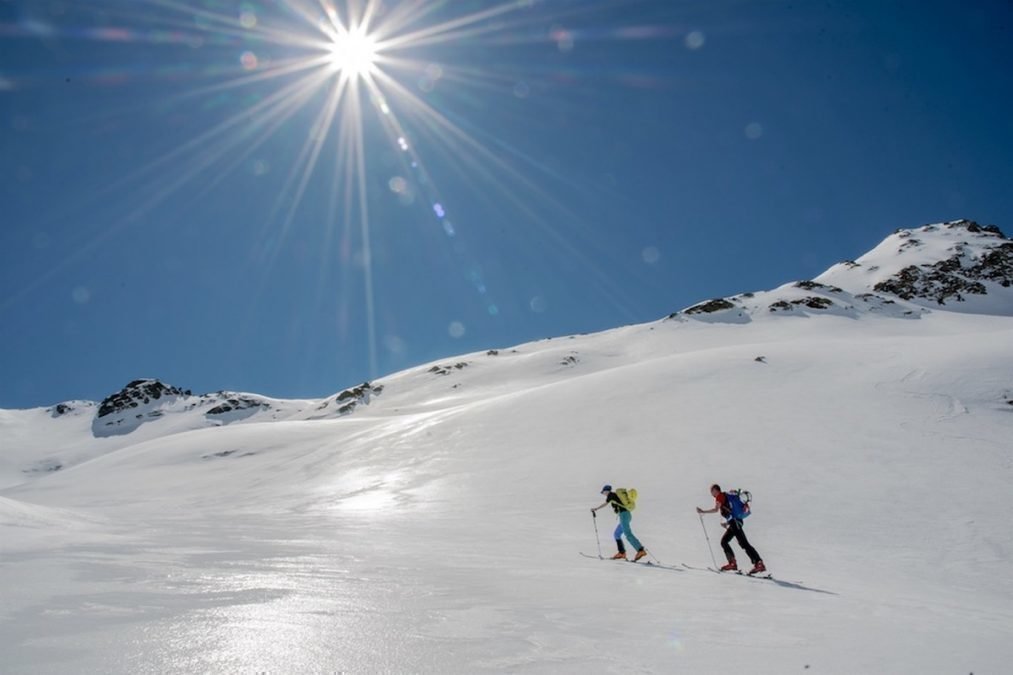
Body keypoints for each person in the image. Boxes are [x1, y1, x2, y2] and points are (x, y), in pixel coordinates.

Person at [696, 483, 766, 574]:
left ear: (715, 490)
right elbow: (727, 511)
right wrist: (726, 523)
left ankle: (758, 563)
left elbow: (716, 509)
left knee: (744, 543)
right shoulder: (724, 496)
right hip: (735, 522)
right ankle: (732, 563)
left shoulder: (720, 496)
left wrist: (703, 511)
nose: (711, 493)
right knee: (724, 541)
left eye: (711, 491)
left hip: (735, 522)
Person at [591, 484, 647, 561]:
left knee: (628, 534)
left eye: (603, 492)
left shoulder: (611, 495)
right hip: (625, 515)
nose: (603, 494)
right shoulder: (614, 495)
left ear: (606, 491)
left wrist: (596, 509)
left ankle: (640, 550)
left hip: (624, 515)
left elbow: (605, 504)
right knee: (616, 534)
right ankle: (621, 553)